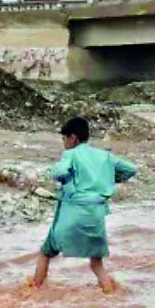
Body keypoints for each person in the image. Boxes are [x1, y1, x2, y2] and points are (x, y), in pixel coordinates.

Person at [31, 117, 137, 293]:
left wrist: (67, 178)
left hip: (72, 213)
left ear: (73, 138)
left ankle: (34, 291)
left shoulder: (70, 154)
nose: (63, 144)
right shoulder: (105, 156)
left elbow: (58, 172)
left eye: (64, 139)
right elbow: (130, 169)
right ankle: (109, 294)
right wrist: (108, 178)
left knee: (46, 253)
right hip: (96, 215)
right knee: (97, 264)